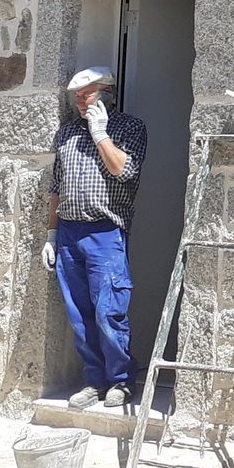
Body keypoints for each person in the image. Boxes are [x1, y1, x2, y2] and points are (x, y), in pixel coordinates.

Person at [41, 66, 148, 410]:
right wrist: (51, 233)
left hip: (106, 233)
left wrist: (100, 134)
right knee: (79, 313)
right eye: (76, 96)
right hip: (70, 233)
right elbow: (56, 185)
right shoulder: (67, 132)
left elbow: (123, 170)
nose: (79, 101)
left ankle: (121, 381)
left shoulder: (130, 128)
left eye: (86, 95)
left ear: (105, 93)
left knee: (109, 311)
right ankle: (94, 380)